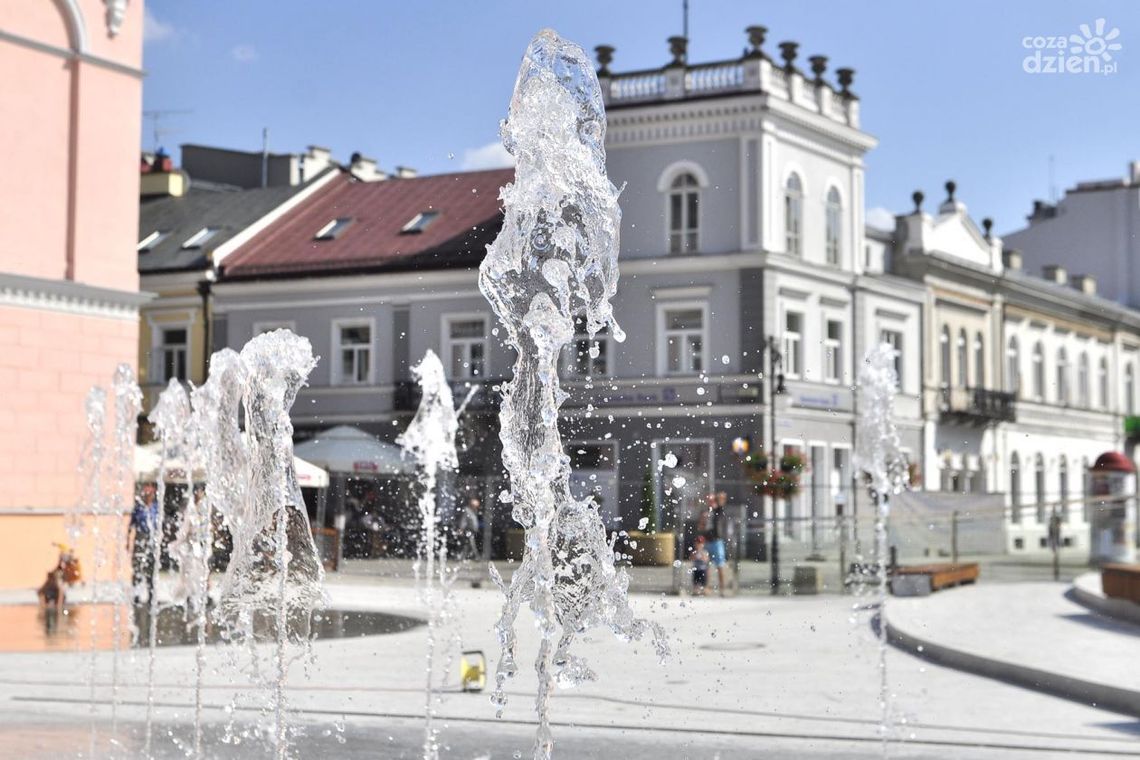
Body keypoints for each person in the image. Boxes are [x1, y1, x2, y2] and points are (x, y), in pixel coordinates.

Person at [127, 482, 160, 604]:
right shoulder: (139, 507)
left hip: (152, 540)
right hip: (140, 539)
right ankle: (136, 595)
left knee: (151, 568)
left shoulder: (156, 507)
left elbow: (159, 525)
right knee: (137, 568)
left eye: (150, 494)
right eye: (146, 494)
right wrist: (127, 541)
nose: (148, 496)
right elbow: (131, 525)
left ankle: (151, 595)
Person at [707, 491, 731, 596]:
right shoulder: (707, 511)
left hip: (717, 541)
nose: (710, 502)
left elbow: (722, 501)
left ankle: (722, 588)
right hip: (707, 541)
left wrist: (719, 497)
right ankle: (707, 587)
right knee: (706, 565)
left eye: (712, 500)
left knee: (720, 564)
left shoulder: (718, 511)